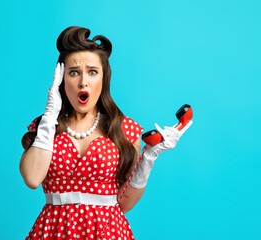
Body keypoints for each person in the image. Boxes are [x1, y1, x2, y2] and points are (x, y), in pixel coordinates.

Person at [19, 26, 192, 240]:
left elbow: (124, 203)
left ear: (103, 78)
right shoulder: (44, 125)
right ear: (62, 79)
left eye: (92, 72)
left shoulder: (125, 129)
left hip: (108, 233)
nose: (83, 81)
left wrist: (149, 157)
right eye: (74, 72)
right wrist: (51, 113)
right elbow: (33, 179)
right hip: (53, 231)